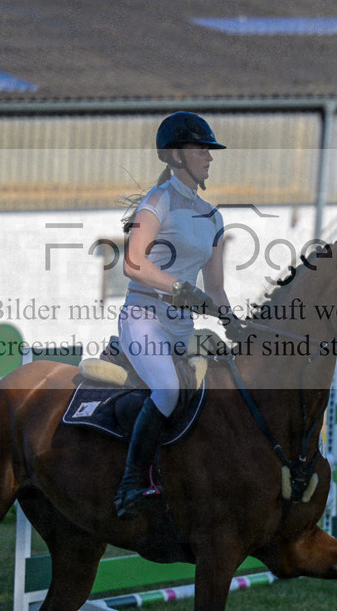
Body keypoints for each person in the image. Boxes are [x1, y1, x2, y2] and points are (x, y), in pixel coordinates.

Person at [113, 111, 233, 518]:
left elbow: (215, 289)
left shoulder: (213, 217)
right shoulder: (157, 200)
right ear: (176, 155)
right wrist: (180, 288)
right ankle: (131, 481)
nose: (209, 157)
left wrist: (234, 323)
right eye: (201, 149)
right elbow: (132, 263)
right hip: (143, 318)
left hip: (182, 327)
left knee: (226, 383)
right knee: (167, 390)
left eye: (209, 150)